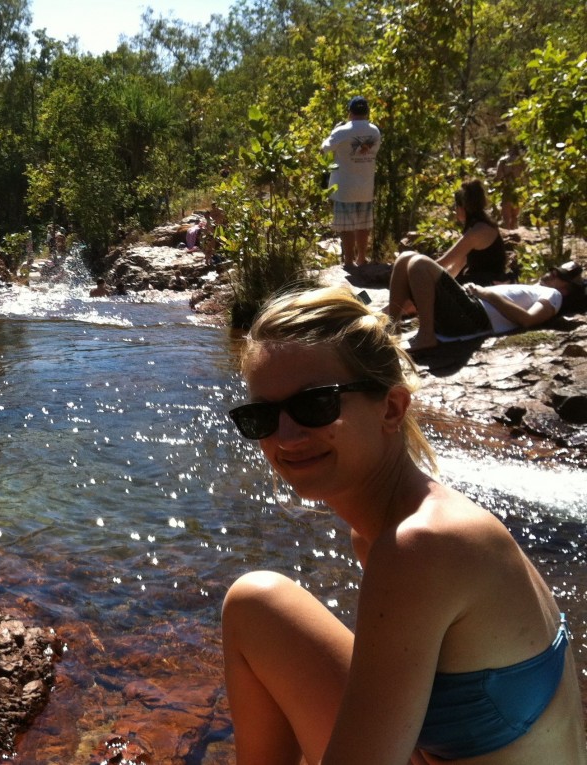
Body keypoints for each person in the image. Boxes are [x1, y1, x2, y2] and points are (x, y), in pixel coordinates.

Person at [222, 286, 587, 764]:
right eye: (261, 417)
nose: (285, 437)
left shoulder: (423, 544)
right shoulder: (387, 532)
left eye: (315, 406)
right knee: (257, 603)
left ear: (391, 408)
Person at [388, 254, 583, 351]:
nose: (552, 272)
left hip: (474, 316)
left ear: (566, 289)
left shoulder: (554, 295)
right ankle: (392, 329)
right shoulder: (539, 288)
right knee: (405, 258)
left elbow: (529, 320)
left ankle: (426, 336)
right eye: (554, 269)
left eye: (559, 275)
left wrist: (485, 294)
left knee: (419, 263)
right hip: (468, 308)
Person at [398, 178, 509, 289]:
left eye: (455, 206)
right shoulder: (482, 225)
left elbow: (443, 262)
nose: (455, 211)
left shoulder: (477, 232)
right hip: (482, 282)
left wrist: (414, 270)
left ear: (462, 208)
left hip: (485, 285)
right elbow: (456, 266)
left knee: (415, 267)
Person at [321, 96, 381, 269]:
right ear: (367, 112)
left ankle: (348, 261)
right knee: (364, 224)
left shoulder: (341, 132)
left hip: (344, 187)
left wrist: (332, 132)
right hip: (366, 186)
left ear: (350, 112)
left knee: (346, 227)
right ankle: (362, 258)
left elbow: (323, 150)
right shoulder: (375, 131)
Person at [495, 144, 525, 230]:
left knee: (506, 218)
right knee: (515, 217)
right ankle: (514, 236)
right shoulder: (522, 161)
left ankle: (508, 237)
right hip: (519, 189)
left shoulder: (503, 161)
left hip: (507, 189)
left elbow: (498, 177)